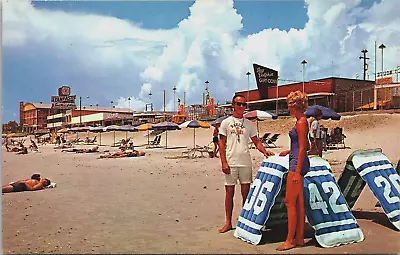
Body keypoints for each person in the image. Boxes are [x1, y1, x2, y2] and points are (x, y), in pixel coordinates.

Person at [218, 94, 275, 233]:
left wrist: (265, 151)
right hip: (231, 162)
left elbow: (256, 141)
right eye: (239, 104)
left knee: (246, 193)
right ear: (233, 105)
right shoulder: (226, 123)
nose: (241, 107)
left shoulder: (249, 124)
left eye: (244, 104)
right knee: (229, 193)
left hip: (245, 162)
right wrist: (224, 162)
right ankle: (228, 222)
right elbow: (221, 143)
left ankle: (245, 221)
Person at [276, 91, 310, 251]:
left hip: (297, 164)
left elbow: (303, 148)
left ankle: (290, 240)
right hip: (298, 160)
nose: (288, 107)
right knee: (299, 202)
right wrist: (289, 151)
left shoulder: (301, 122)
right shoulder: (301, 121)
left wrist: (296, 172)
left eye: (289, 104)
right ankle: (300, 238)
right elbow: (306, 146)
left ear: (294, 105)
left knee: (290, 202)